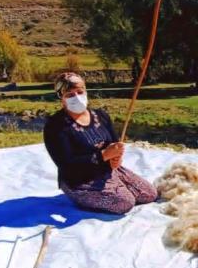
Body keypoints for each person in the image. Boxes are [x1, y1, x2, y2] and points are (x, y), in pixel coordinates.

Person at [43, 72, 158, 214]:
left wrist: (117, 157)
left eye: (80, 92)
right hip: (79, 179)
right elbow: (66, 165)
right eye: (70, 94)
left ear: (86, 91)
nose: (77, 97)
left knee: (150, 194)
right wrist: (103, 155)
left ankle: (116, 187)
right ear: (61, 97)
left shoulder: (101, 115)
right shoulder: (55, 126)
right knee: (125, 203)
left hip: (107, 169)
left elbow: (115, 143)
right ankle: (81, 196)